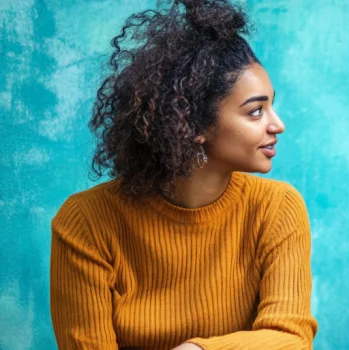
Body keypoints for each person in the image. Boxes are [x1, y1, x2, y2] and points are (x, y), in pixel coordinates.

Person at [49, 1, 317, 349]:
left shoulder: (278, 209)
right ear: (194, 125)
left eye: (271, 106)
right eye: (255, 112)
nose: (277, 124)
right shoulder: (86, 223)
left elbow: (290, 339)